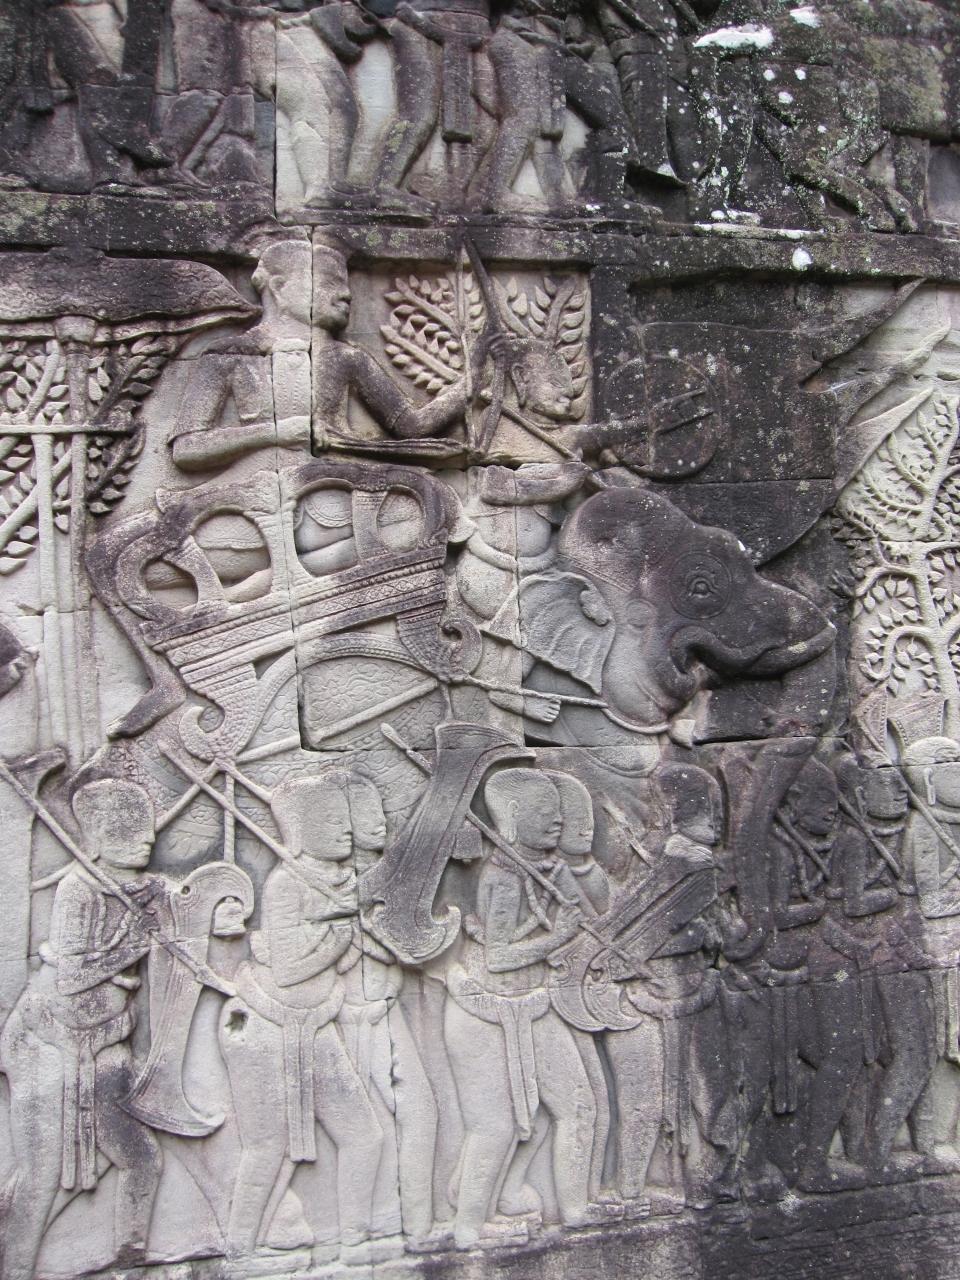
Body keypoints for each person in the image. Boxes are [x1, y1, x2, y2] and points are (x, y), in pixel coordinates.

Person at [0, 781, 165, 1280]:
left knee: (141, 1158)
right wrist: (130, 949)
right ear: (95, 839)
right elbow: (70, 977)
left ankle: (131, 1256)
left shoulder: (145, 889)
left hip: (107, 1040)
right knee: (40, 1175)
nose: (147, 837)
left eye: (146, 826)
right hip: (47, 1043)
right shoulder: (79, 889)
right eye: (127, 830)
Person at [218, 776, 385, 1263]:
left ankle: (356, 1242)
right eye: (331, 821)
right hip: (266, 1026)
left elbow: (345, 960)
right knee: (267, 1147)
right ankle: (240, 1250)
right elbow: (289, 969)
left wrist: (350, 928)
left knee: (364, 1135)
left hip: (316, 1022)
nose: (346, 828)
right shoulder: (286, 883)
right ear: (299, 832)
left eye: (345, 817)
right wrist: (337, 931)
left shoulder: (342, 880)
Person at [443, 767, 600, 1247]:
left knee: (577, 1105)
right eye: (543, 811)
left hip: (533, 1003)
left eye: (557, 810)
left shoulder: (547, 869)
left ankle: (572, 1208)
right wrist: (557, 937)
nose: (557, 820)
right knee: (495, 1126)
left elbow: (590, 919)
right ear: (512, 817)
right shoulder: (503, 876)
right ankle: (469, 1226)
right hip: (487, 1011)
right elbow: (498, 956)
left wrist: (572, 903)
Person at [169, 238, 313, 473]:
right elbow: (186, 448)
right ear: (279, 287)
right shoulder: (228, 353)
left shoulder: (343, 356)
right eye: (325, 282)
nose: (344, 293)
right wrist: (274, 433)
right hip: (255, 481)